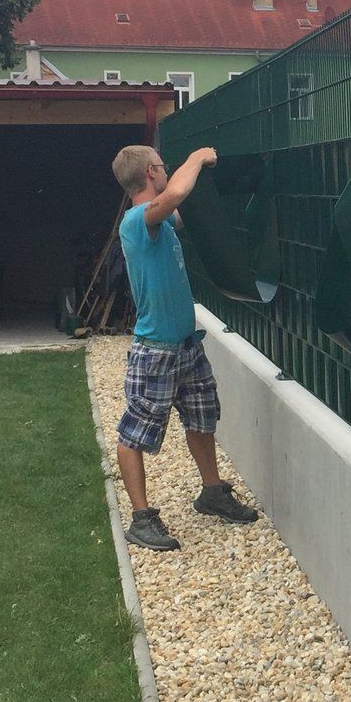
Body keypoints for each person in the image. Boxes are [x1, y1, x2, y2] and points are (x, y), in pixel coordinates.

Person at [108, 144, 259, 551]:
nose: (169, 169)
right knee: (136, 430)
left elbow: (177, 208)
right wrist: (198, 158)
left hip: (186, 345)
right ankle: (141, 519)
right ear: (154, 172)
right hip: (155, 349)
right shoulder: (137, 220)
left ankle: (211, 492)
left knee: (202, 415)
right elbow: (173, 198)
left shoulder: (160, 220)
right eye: (164, 165)